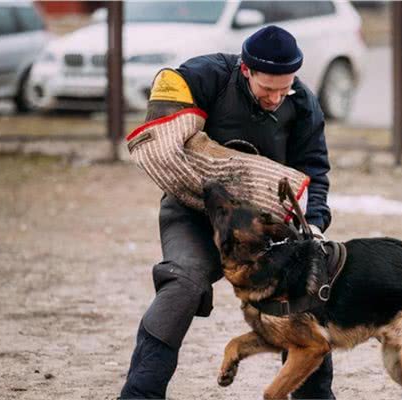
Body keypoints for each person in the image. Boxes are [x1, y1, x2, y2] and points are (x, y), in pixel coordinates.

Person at [120, 25, 333, 399]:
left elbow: (313, 168)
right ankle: (140, 394)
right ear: (246, 70)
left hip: (263, 223)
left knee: (302, 295)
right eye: (268, 89)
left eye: (285, 88)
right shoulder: (205, 77)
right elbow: (163, 139)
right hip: (193, 211)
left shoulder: (301, 102)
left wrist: (314, 222)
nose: (276, 98)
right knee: (183, 282)